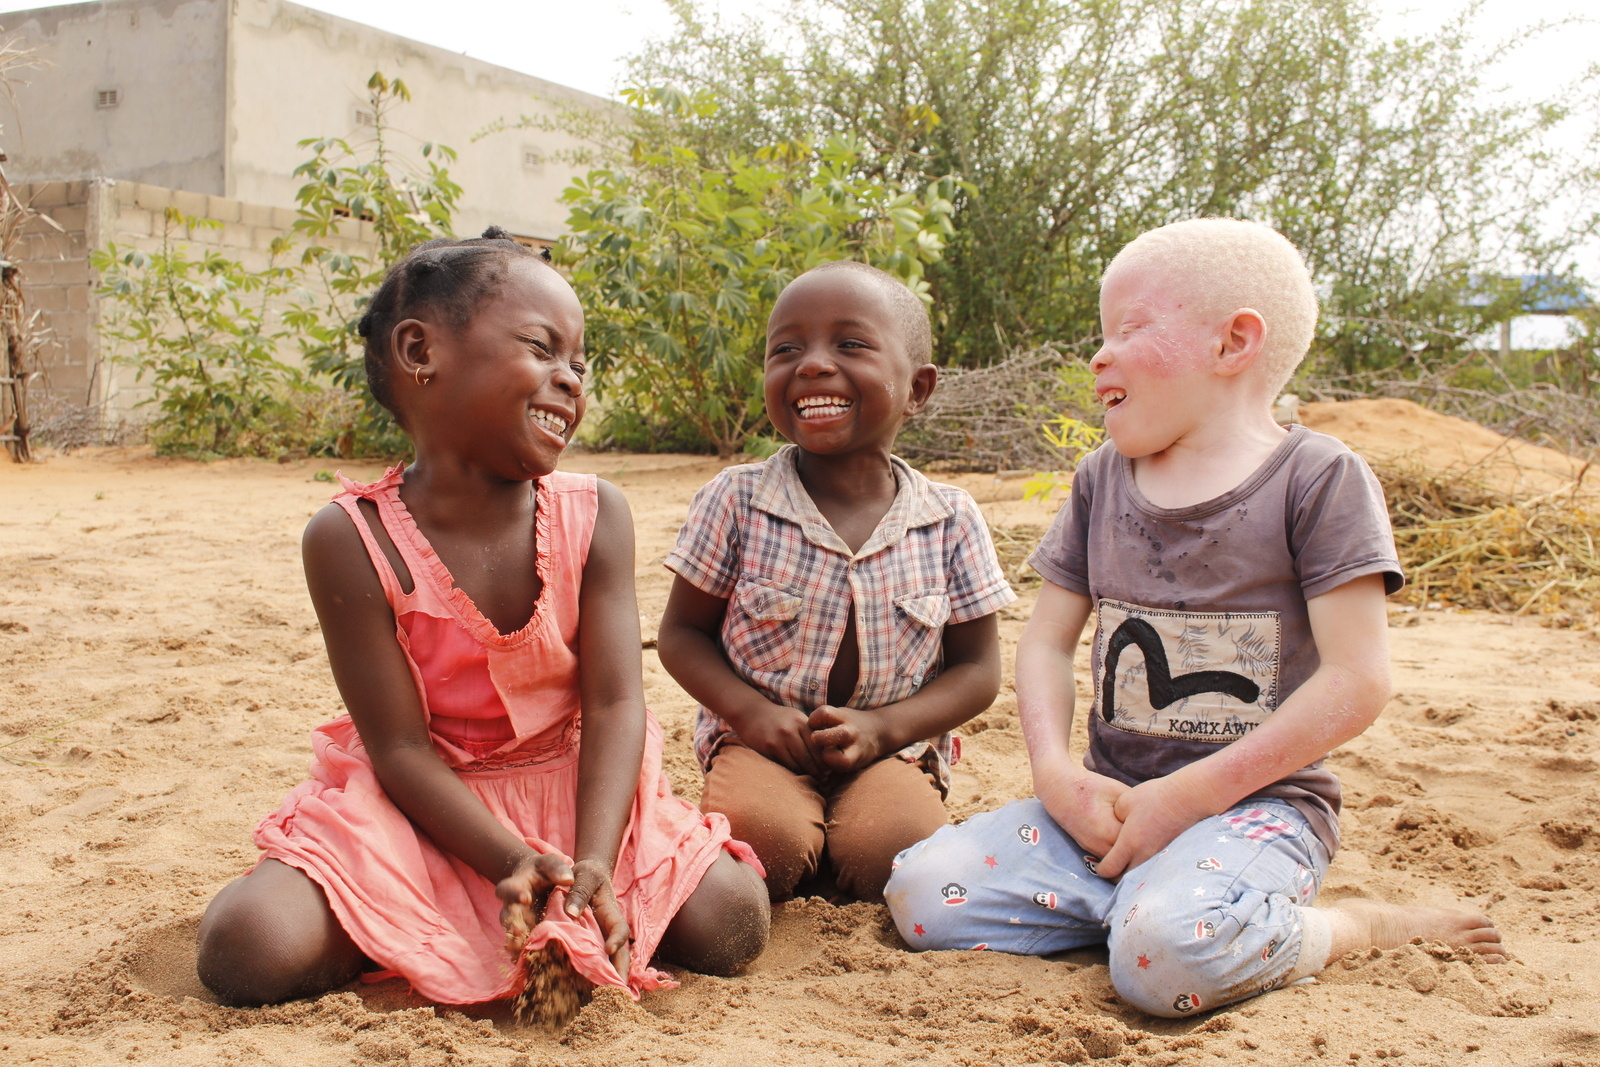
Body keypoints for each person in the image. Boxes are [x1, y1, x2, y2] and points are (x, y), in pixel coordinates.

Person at [883, 219, 1503, 1017]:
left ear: (1234, 342)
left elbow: (1360, 678)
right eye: (1101, 334)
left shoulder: (1318, 480)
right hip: (1105, 809)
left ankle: (1344, 927)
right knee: (923, 895)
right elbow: (1044, 642)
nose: (1098, 356)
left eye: (1130, 329)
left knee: (1162, 964)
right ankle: (1154, 905)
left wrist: (1186, 798)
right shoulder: (1100, 479)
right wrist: (1055, 774)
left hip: (1253, 811)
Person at [195, 228, 770, 1011]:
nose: (570, 380)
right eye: (542, 348)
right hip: (430, 805)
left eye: (581, 363)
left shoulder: (595, 514)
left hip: (578, 792)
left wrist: (591, 861)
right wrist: (509, 857)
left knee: (732, 919)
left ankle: (533, 915)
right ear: (418, 350)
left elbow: (613, 704)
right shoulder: (351, 539)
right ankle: (429, 923)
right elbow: (398, 748)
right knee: (249, 947)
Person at [656, 261, 1017, 904]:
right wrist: (752, 714)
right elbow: (682, 636)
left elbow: (978, 672)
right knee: (763, 845)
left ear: (918, 388)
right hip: (761, 743)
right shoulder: (735, 500)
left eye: (850, 345)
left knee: (895, 862)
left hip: (890, 750)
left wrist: (884, 730)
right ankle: (801, 834)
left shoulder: (951, 518)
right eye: (785, 349)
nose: (813, 365)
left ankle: (841, 839)